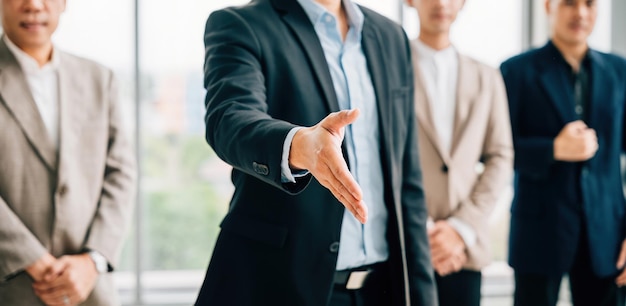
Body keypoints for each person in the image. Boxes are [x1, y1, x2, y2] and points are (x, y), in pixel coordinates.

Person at [196, 0, 437, 305]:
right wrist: (298, 145)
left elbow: (408, 180)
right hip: (281, 285)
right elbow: (229, 119)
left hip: (383, 288)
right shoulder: (242, 24)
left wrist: (423, 294)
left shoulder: (390, 36)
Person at [0, 0, 136, 305]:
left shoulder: (100, 79)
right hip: (11, 285)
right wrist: (32, 259)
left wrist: (92, 260)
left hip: (90, 288)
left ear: (63, 3)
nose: (34, 5)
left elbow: (121, 174)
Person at [500, 0, 626, 305]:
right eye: (569, 3)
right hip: (538, 234)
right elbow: (496, 150)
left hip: (607, 236)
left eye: (589, 4)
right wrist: (553, 149)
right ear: (548, 6)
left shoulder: (619, 71)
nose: (580, 13)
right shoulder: (515, 71)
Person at [404, 0, 513, 305]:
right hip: (405, 245)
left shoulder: (487, 77)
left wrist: (460, 229)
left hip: (463, 249)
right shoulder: (391, 70)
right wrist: (423, 230)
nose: (440, 3)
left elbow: (501, 156)